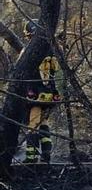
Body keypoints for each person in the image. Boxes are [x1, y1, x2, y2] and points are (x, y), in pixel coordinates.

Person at [21, 20, 62, 164]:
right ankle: (46, 155)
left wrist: (28, 92)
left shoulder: (30, 51)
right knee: (43, 123)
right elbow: (55, 72)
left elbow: (24, 73)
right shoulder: (51, 50)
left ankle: (31, 158)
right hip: (49, 94)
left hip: (35, 94)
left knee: (33, 125)